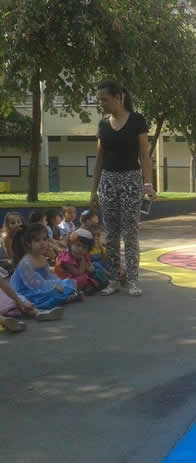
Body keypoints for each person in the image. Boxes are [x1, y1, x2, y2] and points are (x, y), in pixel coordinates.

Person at [90, 80, 157, 297]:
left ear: (118, 97)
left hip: (131, 180)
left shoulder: (137, 120)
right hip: (108, 181)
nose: (101, 103)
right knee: (111, 234)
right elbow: (99, 159)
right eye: (99, 100)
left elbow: (144, 154)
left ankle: (133, 280)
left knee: (130, 232)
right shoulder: (103, 124)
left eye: (105, 99)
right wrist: (93, 191)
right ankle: (113, 280)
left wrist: (148, 183)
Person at [10, 224, 79, 310]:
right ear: (28, 243)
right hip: (29, 290)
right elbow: (35, 283)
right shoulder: (26, 262)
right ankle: (66, 298)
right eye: (37, 240)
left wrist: (57, 283)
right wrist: (53, 286)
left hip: (42, 285)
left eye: (45, 239)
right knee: (50, 294)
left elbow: (49, 276)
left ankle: (66, 297)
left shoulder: (42, 258)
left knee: (67, 283)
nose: (42, 243)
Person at [0, 277, 65, 333]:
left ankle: (7, 321)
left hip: (4, 303)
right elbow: (6, 287)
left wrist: (20, 302)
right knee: (17, 299)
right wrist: (20, 302)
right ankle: (38, 312)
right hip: (7, 302)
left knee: (17, 301)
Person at [54, 228, 106, 294]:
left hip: (81, 275)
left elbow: (89, 265)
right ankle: (93, 285)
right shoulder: (65, 258)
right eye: (78, 245)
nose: (80, 249)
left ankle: (97, 283)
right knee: (83, 278)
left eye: (84, 247)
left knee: (95, 266)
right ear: (70, 244)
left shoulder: (83, 254)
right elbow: (78, 273)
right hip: (67, 280)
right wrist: (83, 259)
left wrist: (90, 267)